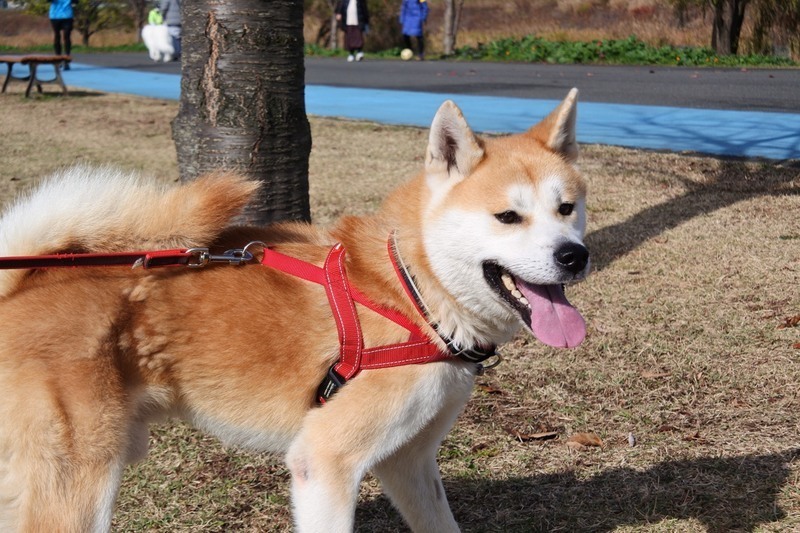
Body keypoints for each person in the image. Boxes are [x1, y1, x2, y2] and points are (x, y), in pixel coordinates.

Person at [48, 0, 77, 69]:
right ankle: (58, 58)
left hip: (67, 16)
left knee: (67, 36)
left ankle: (67, 59)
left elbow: (76, 2)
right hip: (55, 16)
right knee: (57, 36)